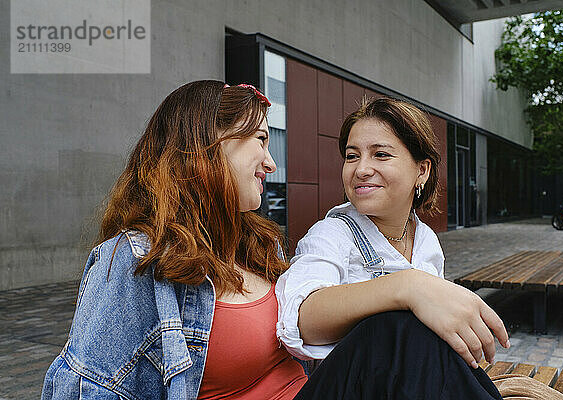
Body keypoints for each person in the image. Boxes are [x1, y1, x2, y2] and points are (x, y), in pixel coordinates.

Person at [42, 80, 308, 399]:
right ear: (210, 141)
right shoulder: (136, 260)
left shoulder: (260, 243)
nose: (271, 163)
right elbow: (92, 387)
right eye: (261, 140)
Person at [276, 97, 510, 399]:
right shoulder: (332, 233)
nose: (361, 169)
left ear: (421, 171)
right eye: (351, 156)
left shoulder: (426, 241)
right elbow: (299, 320)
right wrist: (406, 287)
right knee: (396, 325)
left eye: (381, 155)